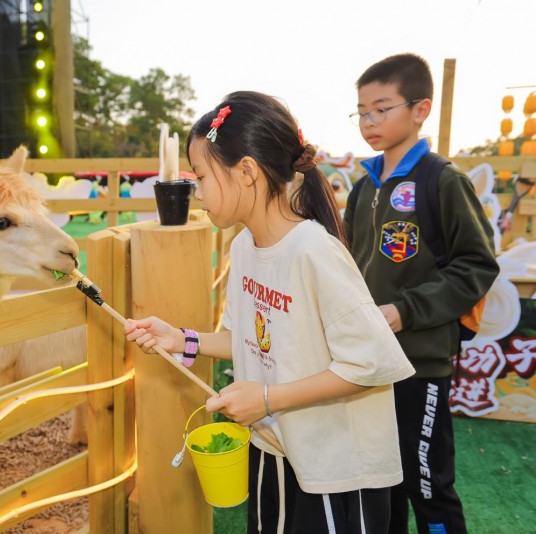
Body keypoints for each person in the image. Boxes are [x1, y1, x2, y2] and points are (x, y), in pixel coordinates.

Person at [125, 91, 415, 533]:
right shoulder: (244, 247)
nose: (197, 192)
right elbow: (248, 339)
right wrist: (181, 338)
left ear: (246, 172)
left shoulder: (313, 251)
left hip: (333, 469)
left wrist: (266, 399)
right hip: (273, 448)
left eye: (201, 176)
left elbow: (371, 362)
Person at [343, 54, 499, 534]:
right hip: (368, 363)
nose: (369, 121)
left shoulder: (441, 180)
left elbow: (477, 266)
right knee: (382, 483)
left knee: (426, 484)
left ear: (420, 109)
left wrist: (403, 311)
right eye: (362, 111)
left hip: (418, 362)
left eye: (381, 108)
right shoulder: (362, 187)